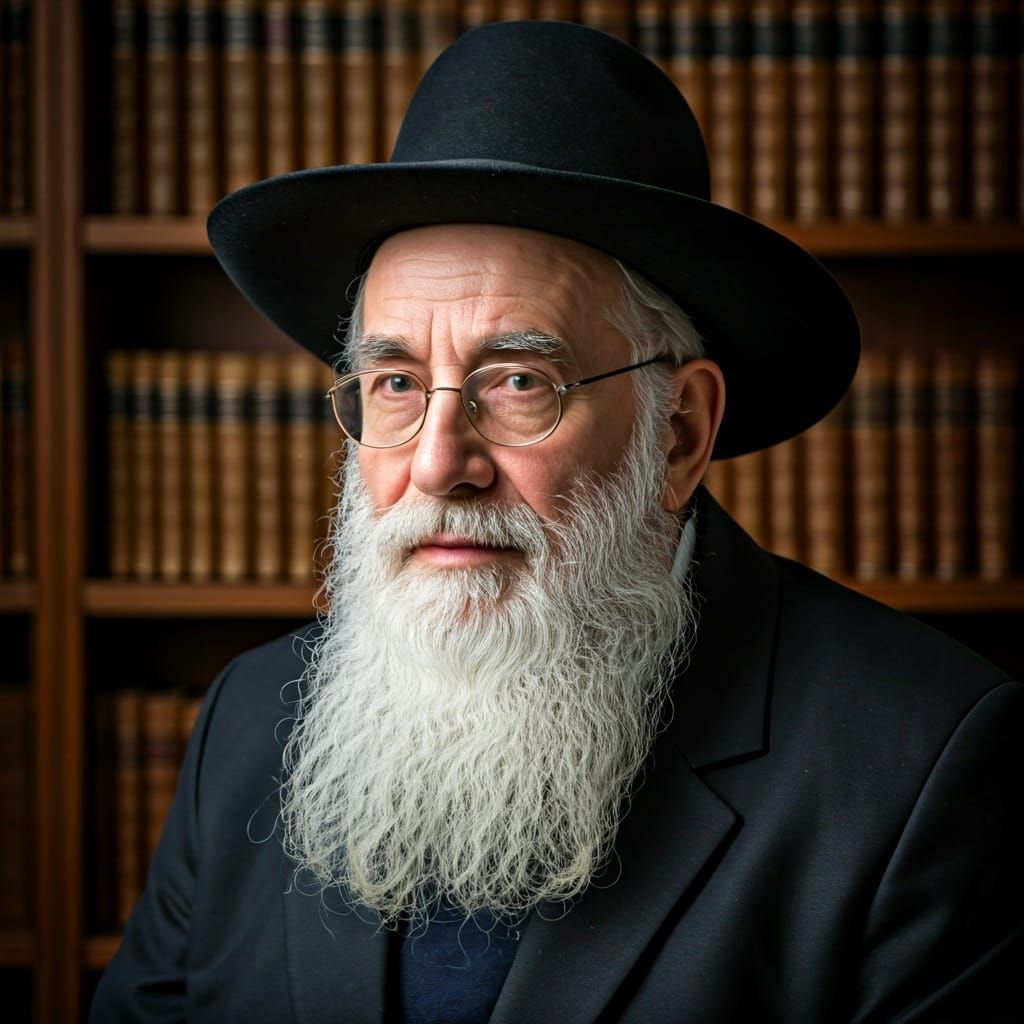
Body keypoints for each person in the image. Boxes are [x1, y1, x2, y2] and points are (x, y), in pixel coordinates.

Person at [91, 20, 1022, 1024]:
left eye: (519, 380)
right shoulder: (246, 721)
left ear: (678, 431)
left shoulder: (925, 768)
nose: (440, 462)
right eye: (395, 382)